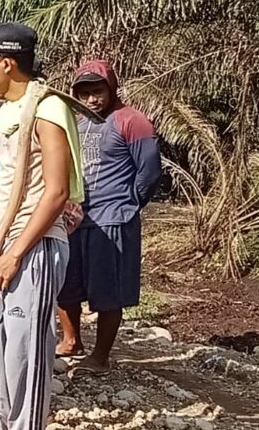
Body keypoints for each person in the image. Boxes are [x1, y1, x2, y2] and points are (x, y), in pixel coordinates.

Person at [0, 22, 85, 429]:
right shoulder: (8, 115)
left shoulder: (49, 108)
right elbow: (3, 193)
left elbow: (55, 191)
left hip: (33, 247)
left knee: (24, 353)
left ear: (7, 62)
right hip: (0, 245)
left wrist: (14, 255)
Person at [57, 59, 162, 374]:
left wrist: (129, 204)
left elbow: (150, 171)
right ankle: (71, 340)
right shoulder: (77, 122)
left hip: (112, 217)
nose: (92, 99)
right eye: (85, 92)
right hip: (76, 219)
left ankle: (100, 356)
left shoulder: (132, 120)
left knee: (107, 291)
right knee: (66, 284)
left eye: (97, 91)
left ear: (112, 88)